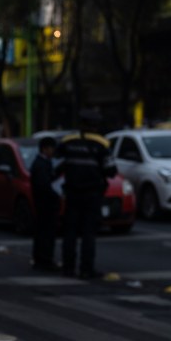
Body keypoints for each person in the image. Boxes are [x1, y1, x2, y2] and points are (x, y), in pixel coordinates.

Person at [57, 109, 115, 279]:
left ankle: (68, 268)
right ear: (95, 126)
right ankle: (86, 269)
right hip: (92, 194)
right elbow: (110, 170)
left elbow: (58, 165)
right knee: (88, 233)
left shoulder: (67, 142)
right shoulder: (102, 145)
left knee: (70, 232)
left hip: (72, 193)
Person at [30, 136, 59, 271]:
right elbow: (44, 186)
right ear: (45, 149)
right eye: (51, 149)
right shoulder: (41, 164)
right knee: (46, 232)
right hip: (45, 204)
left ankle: (41, 258)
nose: (53, 151)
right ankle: (44, 259)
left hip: (43, 203)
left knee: (42, 231)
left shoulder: (42, 163)